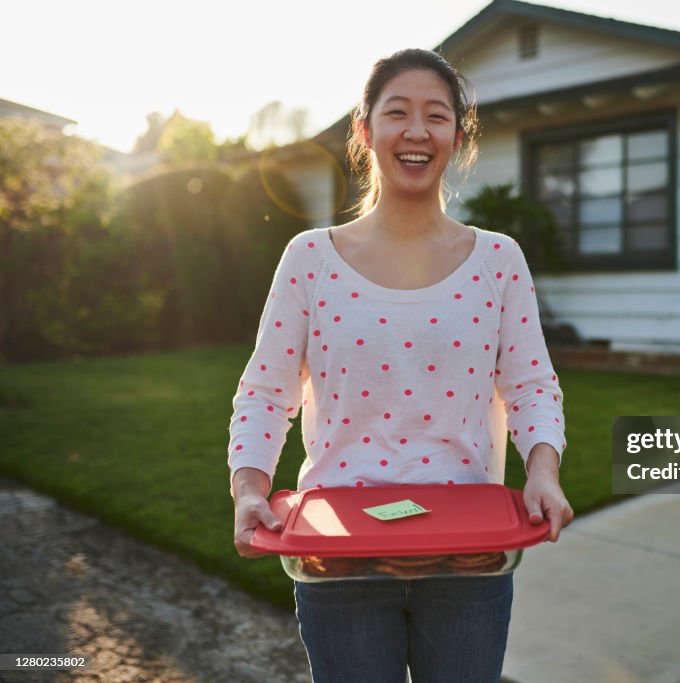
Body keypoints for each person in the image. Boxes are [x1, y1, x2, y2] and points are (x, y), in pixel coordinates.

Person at [226, 48, 572, 682]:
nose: (417, 131)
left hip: (468, 560)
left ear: (457, 137)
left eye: (437, 116)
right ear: (365, 131)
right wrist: (249, 487)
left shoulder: (499, 260)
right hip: (341, 560)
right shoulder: (310, 259)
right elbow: (264, 393)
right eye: (398, 113)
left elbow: (530, 387)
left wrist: (543, 471)